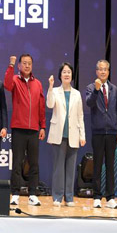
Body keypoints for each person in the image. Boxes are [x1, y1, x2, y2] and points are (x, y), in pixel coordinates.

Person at [4, 54, 46, 206]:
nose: (27, 66)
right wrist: (11, 65)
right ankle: (15, 194)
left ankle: (32, 194)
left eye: (29, 63)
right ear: (19, 66)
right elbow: (7, 85)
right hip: (18, 129)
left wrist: (42, 126)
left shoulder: (38, 84)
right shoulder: (15, 80)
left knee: (34, 163)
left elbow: (41, 106)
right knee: (17, 163)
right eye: (24, 63)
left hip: (34, 129)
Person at [85, 60, 117, 209]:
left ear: (108, 72)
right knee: (97, 165)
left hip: (112, 132)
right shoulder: (90, 87)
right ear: (96, 72)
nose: (102, 72)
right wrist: (96, 90)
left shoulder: (114, 88)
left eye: (105, 69)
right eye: (100, 69)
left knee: (110, 166)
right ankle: (96, 196)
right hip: (98, 132)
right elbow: (89, 103)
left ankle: (110, 197)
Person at [47, 63, 86, 207]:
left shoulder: (77, 94)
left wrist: (82, 135)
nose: (67, 74)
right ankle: (57, 197)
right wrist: (50, 87)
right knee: (58, 168)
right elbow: (50, 104)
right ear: (60, 75)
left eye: (69, 72)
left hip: (73, 134)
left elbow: (80, 115)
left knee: (70, 168)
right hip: (58, 134)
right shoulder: (55, 91)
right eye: (64, 72)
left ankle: (69, 197)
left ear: (72, 75)